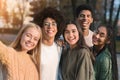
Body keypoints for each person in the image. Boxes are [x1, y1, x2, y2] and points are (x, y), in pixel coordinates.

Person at [33, 7, 65, 80]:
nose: (50, 27)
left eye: (53, 24)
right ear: (41, 27)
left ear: (57, 28)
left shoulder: (59, 48)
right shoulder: (35, 48)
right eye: (46, 24)